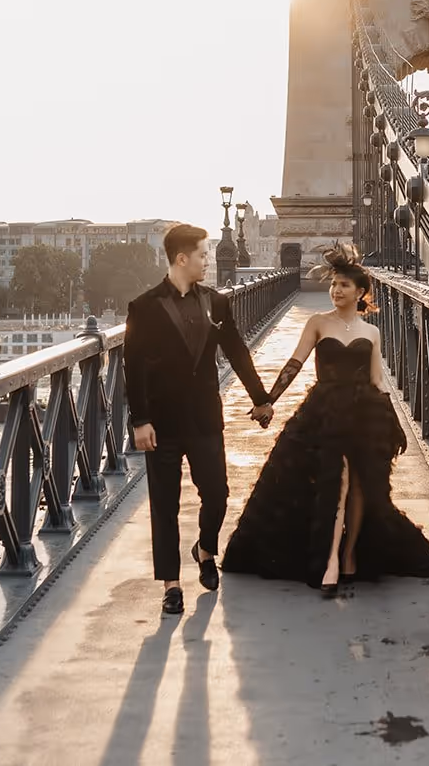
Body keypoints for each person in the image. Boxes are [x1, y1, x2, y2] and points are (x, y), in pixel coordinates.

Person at [222, 244, 429, 596]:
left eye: (344, 285)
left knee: (361, 486)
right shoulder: (318, 322)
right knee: (334, 483)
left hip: (364, 411)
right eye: (334, 284)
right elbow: (294, 364)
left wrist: (391, 420)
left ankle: (351, 553)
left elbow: (377, 380)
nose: (336, 290)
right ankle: (328, 561)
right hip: (324, 410)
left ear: (360, 293)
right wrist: (268, 401)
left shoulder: (371, 332)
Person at [124, 223, 275, 616]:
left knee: (219, 494)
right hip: (161, 423)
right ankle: (171, 584)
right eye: (204, 254)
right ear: (181, 258)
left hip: (206, 417)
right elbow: (133, 367)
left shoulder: (217, 303)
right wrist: (139, 420)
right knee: (164, 504)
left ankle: (206, 549)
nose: (209, 260)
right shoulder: (142, 307)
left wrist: (261, 399)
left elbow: (238, 352)